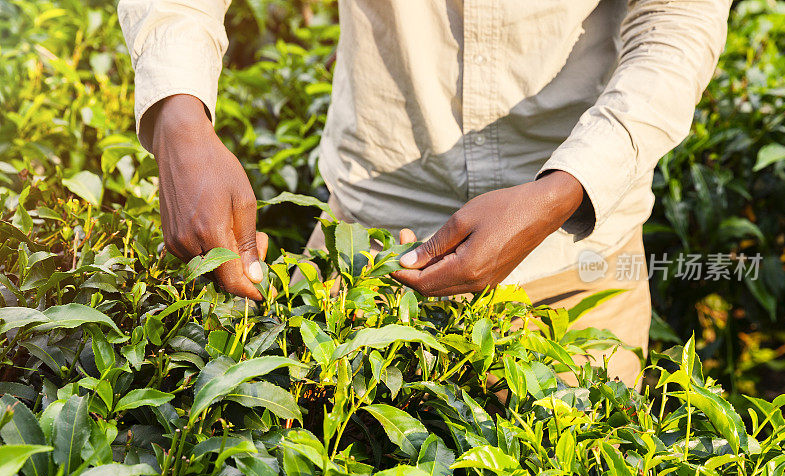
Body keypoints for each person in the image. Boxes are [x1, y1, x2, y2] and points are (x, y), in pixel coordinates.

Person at [117, 0, 731, 388]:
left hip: (576, 267)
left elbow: (679, 23)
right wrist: (179, 119)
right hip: (364, 259)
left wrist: (565, 188)